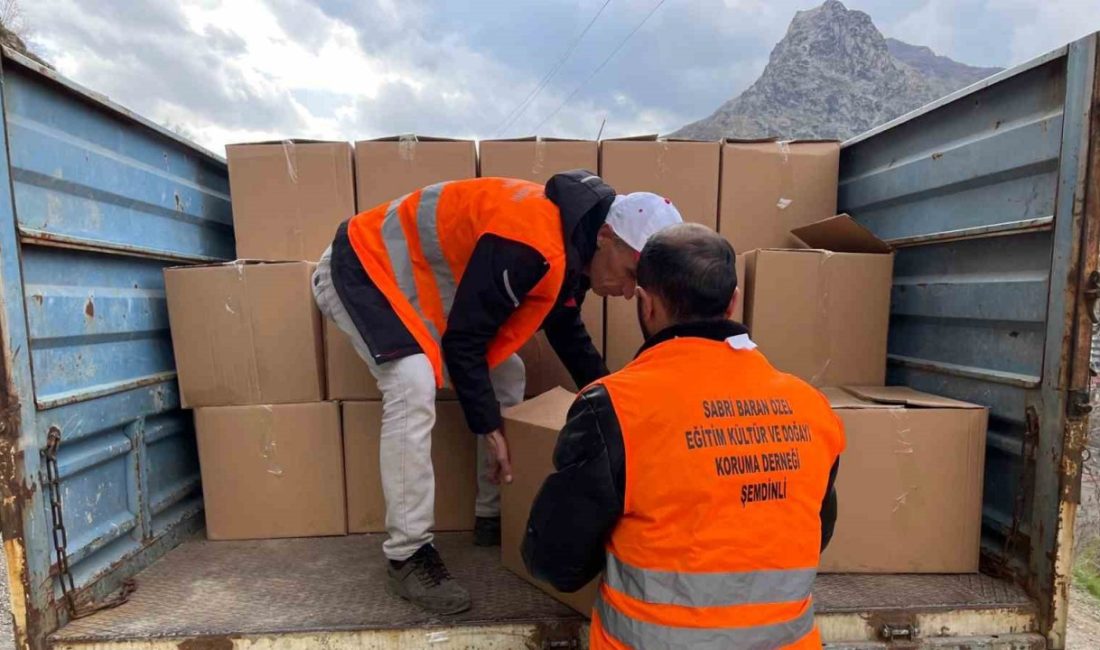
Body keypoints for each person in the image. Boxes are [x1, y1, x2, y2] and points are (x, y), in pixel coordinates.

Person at [311, 171, 683, 615]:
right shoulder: (532, 241)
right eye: (628, 275)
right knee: (410, 381)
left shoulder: (578, 244)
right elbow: (464, 342)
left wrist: (620, 404)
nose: (626, 293)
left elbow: (567, 332)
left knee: (508, 372)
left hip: (413, 290)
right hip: (359, 268)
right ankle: (407, 554)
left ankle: (494, 513)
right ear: (606, 236)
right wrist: (489, 429)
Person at [522, 224, 845, 649]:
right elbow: (815, 529)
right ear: (732, 303)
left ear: (646, 304)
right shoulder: (811, 406)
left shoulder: (613, 408)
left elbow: (555, 561)